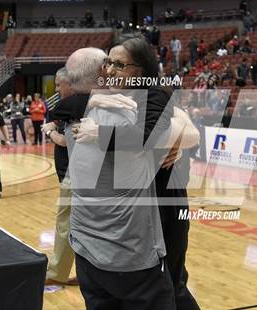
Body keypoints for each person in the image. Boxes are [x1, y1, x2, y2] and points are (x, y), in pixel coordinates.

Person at [54, 36, 200, 309]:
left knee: (174, 284)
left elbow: (189, 130)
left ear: (140, 71)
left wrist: (175, 142)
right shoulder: (105, 99)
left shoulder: (153, 96)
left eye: (119, 65)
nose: (110, 70)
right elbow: (64, 108)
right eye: (108, 63)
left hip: (163, 202)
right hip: (133, 214)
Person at [42, 68, 78, 286]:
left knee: (65, 224)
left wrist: (49, 131)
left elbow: (66, 140)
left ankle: (56, 273)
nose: (56, 89)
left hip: (73, 175)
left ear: (70, 84)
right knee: (82, 227)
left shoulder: (74, 106)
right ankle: (85, 272)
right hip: (75, 173)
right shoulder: (77, 105)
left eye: (58, 85)